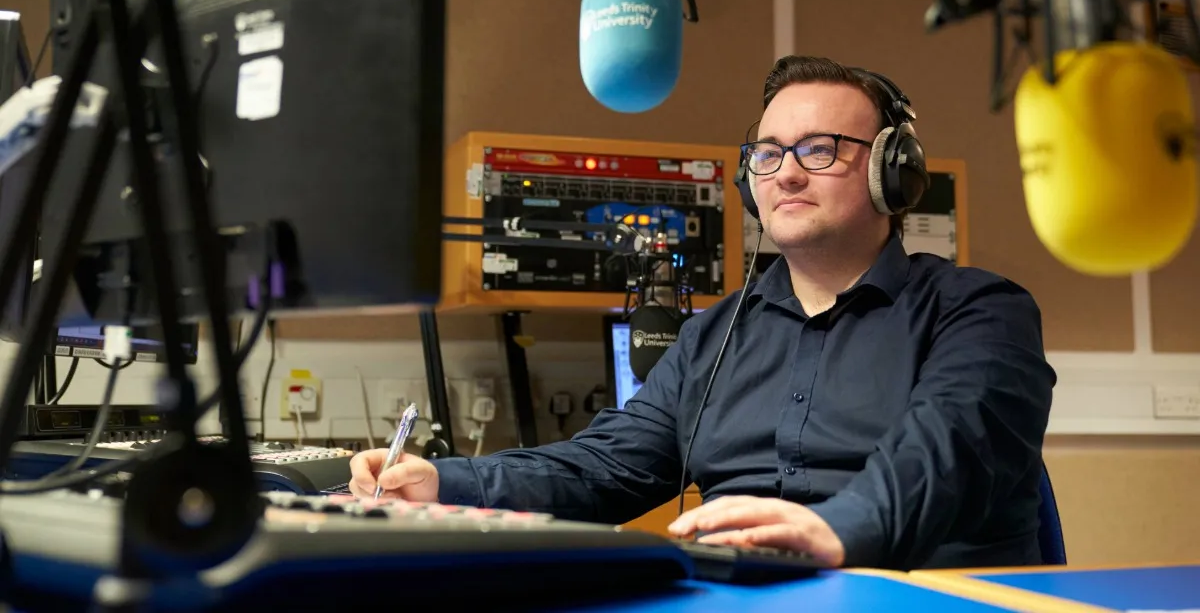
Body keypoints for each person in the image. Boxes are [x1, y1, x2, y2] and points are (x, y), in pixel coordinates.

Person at [349, 55, 1057, 571]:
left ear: (891, 170)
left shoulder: (981, 313)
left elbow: (946, 453)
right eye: (770, 154)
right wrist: (443, 483)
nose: (787, 172)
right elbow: (604, 469)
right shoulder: (714, 336)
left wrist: (834, 530)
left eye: (821, 149)